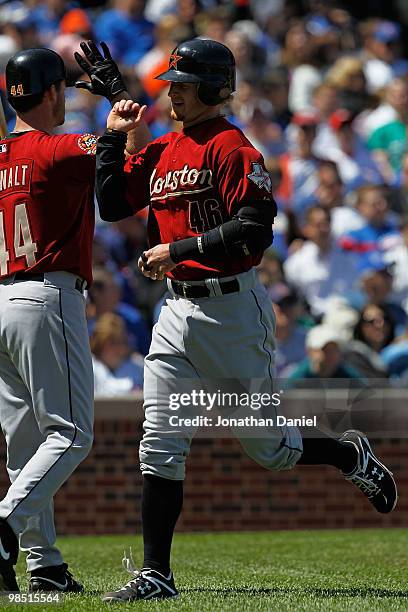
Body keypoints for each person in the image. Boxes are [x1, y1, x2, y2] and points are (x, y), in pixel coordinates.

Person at [90, 38, 397, 602]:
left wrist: (179, 248)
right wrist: (112, 134)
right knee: (159, 442)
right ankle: (157, 573)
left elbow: (255, 230)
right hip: (177, 308)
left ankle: (350, 453)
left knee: (269, 450)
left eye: (183, 82)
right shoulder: (164, 146)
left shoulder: (235, 148)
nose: (173, 90)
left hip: (231, 310)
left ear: (212, 85)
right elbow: (111, 203)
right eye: (171, 82)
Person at [0, 42, 146, 593]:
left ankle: (46, 565)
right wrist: (119, 97)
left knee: (23, 445)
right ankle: (5, 529)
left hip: (2, 299)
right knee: (71, 434)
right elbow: (130, 164)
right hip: (46, 295)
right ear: (55, 90)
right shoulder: (59, 147)